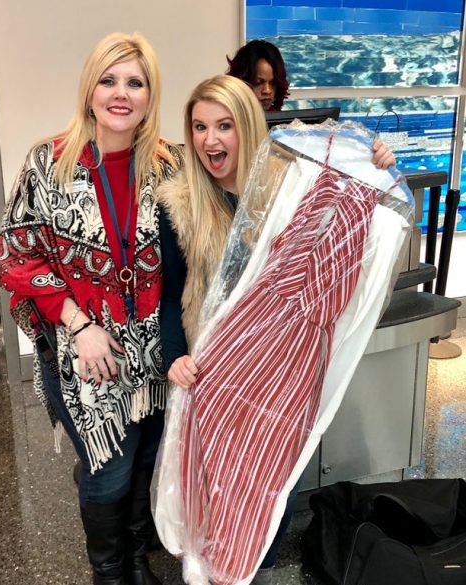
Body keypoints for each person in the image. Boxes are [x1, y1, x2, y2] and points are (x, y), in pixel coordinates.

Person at [157, 74, 395, 584]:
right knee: (216, 481)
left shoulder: (294, 185)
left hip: (285, 367)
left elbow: (364, 224)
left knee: (273, 482)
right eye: (199, 127)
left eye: (224, 125)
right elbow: (168, 295)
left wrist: (373, 163)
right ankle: (216, 569)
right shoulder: (180, 204)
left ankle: (254, 570)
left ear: (247, 125)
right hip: (215, 368)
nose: (209, 140)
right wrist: (175, 355)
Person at [0, 32, 181, 585]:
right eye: (109, 80)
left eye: (135, 82)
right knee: (109, 470)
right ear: (89, 89)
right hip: (83, 349)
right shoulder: (47, 163)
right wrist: (79, 324)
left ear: (150, 95)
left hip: (155, 351)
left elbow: (233, 196)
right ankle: (109, 573)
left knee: (146, 457)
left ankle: (137, 559)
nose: (121, 93)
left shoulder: (169, 166)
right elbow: (14, 255)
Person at [227, 39, 290, 112]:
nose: (267, 90)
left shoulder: (280, 117)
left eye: (273, 83)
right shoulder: (224, 116)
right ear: (240, 83)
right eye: (258, 83)